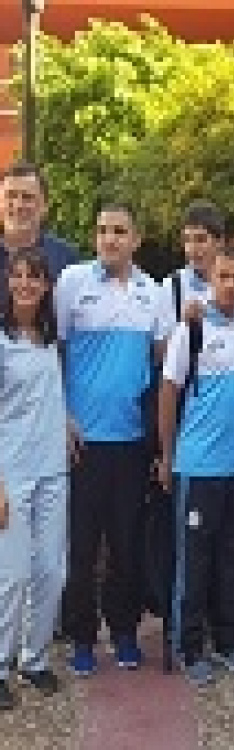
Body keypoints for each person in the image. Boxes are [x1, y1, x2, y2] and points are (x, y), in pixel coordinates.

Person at [56, 202, 168, 676]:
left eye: (120, 231)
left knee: (126, 545)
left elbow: (162, 362)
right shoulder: (72, 283)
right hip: (82, 441)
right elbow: (54, 352)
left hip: (130, 442)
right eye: (102, 230)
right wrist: (62, 416)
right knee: (81, 549)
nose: (109, 239)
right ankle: (82, 637)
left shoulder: (154, 293)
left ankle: (124, 632)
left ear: (136, 239)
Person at [157, 246, 234, 687]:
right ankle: (189, 645)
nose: (231, 285)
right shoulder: (190, 329)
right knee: (193, 562)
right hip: (197, 466)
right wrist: (167, 455)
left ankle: (229, 640)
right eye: (224, 277)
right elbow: (168, 392)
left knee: (233, 558)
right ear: (211, 280)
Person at [0, 249, 68, 710]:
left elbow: (49, 394)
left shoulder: (49, 338)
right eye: (18, 276)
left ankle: (35, 658)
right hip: (12, 473)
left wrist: (68, 421)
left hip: (52, 470)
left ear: (46, 286)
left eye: (34, 277)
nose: (25, 284)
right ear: (8, 283)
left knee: (51, 572)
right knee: (12, 576)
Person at [0, 161, 78, 301]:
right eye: (10, 196)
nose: (18, 205)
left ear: (44, 206)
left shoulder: (65, 259)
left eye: (27, 197)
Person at [161, 200, 226, 331]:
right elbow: (161, 342)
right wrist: (185, 325)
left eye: (200, 239)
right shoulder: (172, 286)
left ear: (220, 241)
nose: (192, 248)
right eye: (187, 240)